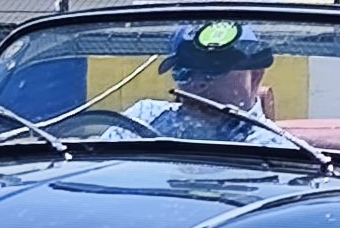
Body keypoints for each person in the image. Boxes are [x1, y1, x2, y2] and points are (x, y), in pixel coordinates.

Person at [103, 21, 278, 143]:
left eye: (212, 70)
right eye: (184, 72)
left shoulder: (273, 150)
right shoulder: (145, 117)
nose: (196, 84)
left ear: (255, 77)